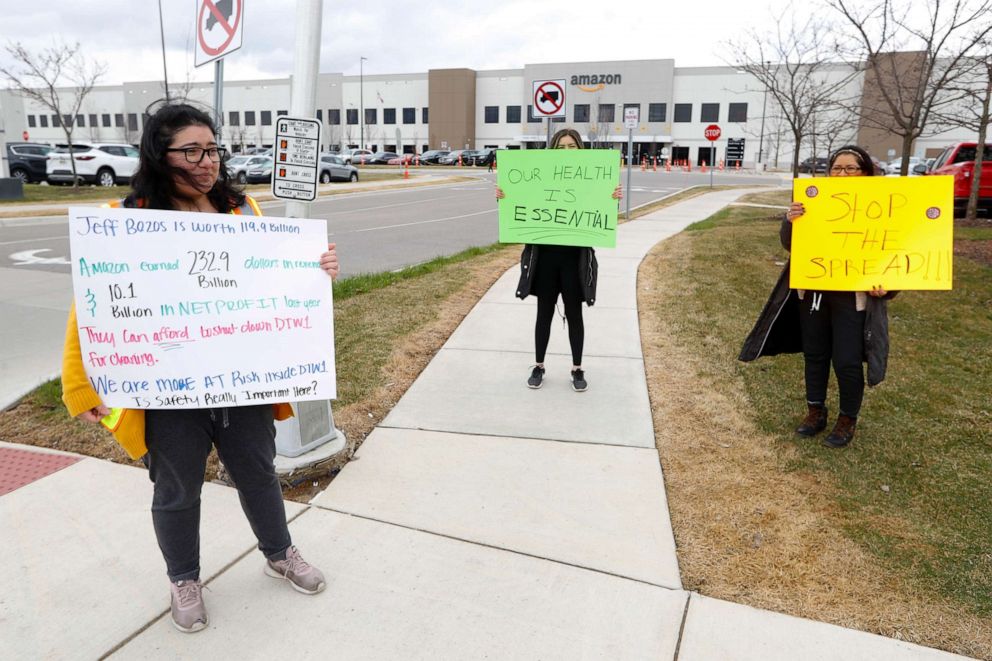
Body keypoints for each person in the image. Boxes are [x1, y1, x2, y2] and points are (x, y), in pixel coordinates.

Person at [60, 103, 340, 633]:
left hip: (241, 385)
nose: (206, 161)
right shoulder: (125, 221)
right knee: (176, 489)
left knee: (258, 473)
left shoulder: (244, 212)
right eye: (191, 150)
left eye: (211, 149)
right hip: (168, 393)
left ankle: (280, 553)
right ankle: (183, 578)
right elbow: (89, 308)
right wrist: (80, 384)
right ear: (159, 156)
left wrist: (316, 269)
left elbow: (273, 289)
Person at [739, 145, 896, 448]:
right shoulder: (813, 200)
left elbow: (893, 250)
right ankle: (815, 411)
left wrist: (888, 287)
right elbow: (791, 245)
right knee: (815, 353)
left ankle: (847, 419)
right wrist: (791, 220)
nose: (843, 174)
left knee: (847, 360)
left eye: (851, 168)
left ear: (865, 173)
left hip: (854, 296)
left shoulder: (881, 206)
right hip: (813, 290)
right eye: (837, 168)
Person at [495, 128, 622, 392]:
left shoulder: (591, 178)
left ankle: (577, 368)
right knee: (544, 313)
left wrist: (613, 199)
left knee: (575, 315)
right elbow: (521, 200)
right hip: (545, 259)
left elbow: (601, 212)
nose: (566, 151)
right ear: (553, 150)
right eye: (561, 147)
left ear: (580, 149)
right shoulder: (540, 175)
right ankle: (539, 365)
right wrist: (505, 197)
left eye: (572, 146)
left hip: (574, 259)